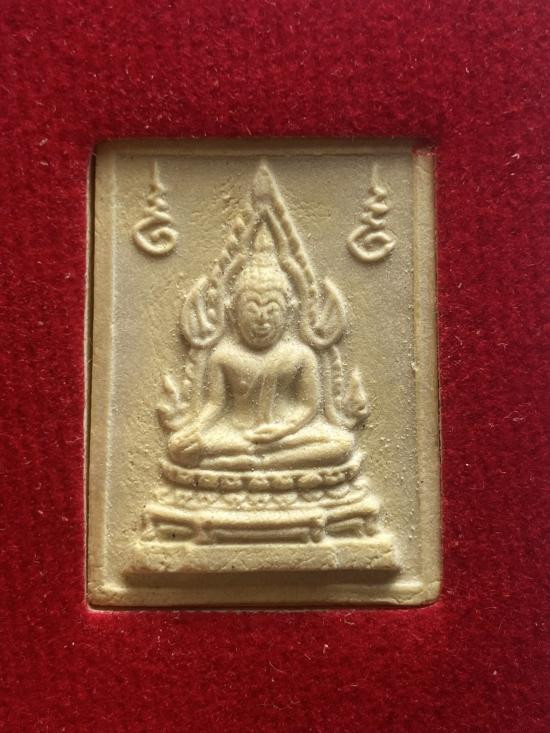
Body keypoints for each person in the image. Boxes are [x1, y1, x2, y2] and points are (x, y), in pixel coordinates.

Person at [168, 226, 355, 470]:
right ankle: (256, 458)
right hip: (237, 433)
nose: (262, 319)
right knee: (178, 446)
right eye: (252, 309)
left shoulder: (301, 355)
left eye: (272, 309)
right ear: (233, 313)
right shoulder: (224, 356)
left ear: (289, 313)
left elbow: (308, 406)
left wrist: (284, 430)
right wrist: (195, 429)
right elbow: (215, 405)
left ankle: (250, 460)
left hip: (287, 435)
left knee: (342, 443)